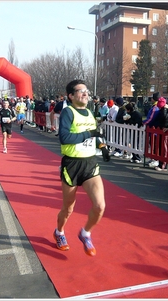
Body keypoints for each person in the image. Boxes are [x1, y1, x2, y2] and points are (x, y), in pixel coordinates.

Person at [54, 79, 109, 257]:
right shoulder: (68, 112)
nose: (85, 93)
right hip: (71, 164)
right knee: (68, 208)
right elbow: (65, 138)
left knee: (100, 206)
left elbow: (95, 135)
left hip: (89, 164)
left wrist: (103, 147)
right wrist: (89, 134)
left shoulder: (90, 112)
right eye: (80, 91)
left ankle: (85, 233)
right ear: (71, 96)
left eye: (86, 90)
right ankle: (59, 232)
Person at [144, 92, 161, 167]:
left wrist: (144, 122)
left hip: (154, 129)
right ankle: (153, 158)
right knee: (152, 143)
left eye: (152, 98)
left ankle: (155, 159)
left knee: (154, 145)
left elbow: (151, 118)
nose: (151, 99)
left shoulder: (155, 107)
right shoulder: (155, 106)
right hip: (152, 128)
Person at [155, 97, 168, 171]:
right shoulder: (161, 110)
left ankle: (163, 165)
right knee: (160, 147)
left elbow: (166, 119)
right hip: (160, 130)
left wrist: (165, 109)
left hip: (165, 131)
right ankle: (160, 163)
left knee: (164, 148)